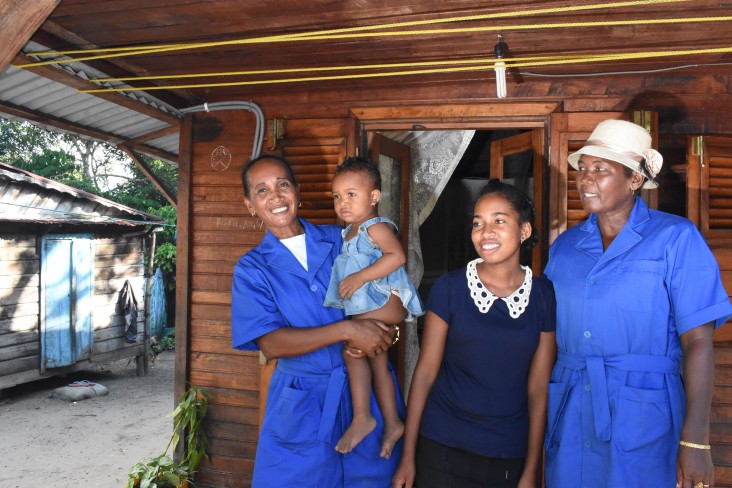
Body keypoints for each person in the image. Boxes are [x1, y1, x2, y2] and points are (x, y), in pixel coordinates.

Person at [542, 119, 732, 488]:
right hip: (570, 406)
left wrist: (696, 439)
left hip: (645, 412)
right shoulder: (564, 248)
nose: (585, 179)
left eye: (600, 169)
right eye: (582, 169)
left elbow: (698, 341)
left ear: (635, 180)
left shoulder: (675, 238)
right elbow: (542, 332)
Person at [231, 154, 403, 488]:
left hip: (365, 393)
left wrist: (384, 330)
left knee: (372, 478)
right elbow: (271, 343)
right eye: (261, 190)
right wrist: (348, 328)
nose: (276, 196)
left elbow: (395, 299)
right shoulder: (252, 269)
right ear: (250, 205)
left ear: (297, 190)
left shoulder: (343, 240)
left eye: (282, 184)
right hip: (301, 404)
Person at [392, 179, 557, 488]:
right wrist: (408, 456)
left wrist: (531, 470)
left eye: (499, 220)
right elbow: (426, 372)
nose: (485, 232)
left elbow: (538, 387)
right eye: (477, 222)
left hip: (507, 454)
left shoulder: (543, 295)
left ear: (524, 230)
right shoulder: (450, 288)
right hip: (442, 446)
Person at [323, 156, 425, 458]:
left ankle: (362, 417)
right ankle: (392, 423)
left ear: (374, 197)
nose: (343, 202)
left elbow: (396, 257)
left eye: (351, 194)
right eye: (337, 196)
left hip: (384, 302)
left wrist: (359, 277)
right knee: (378, 364)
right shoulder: (348, 232)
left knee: (351, 350)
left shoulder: (374, 227)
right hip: (377, 307)